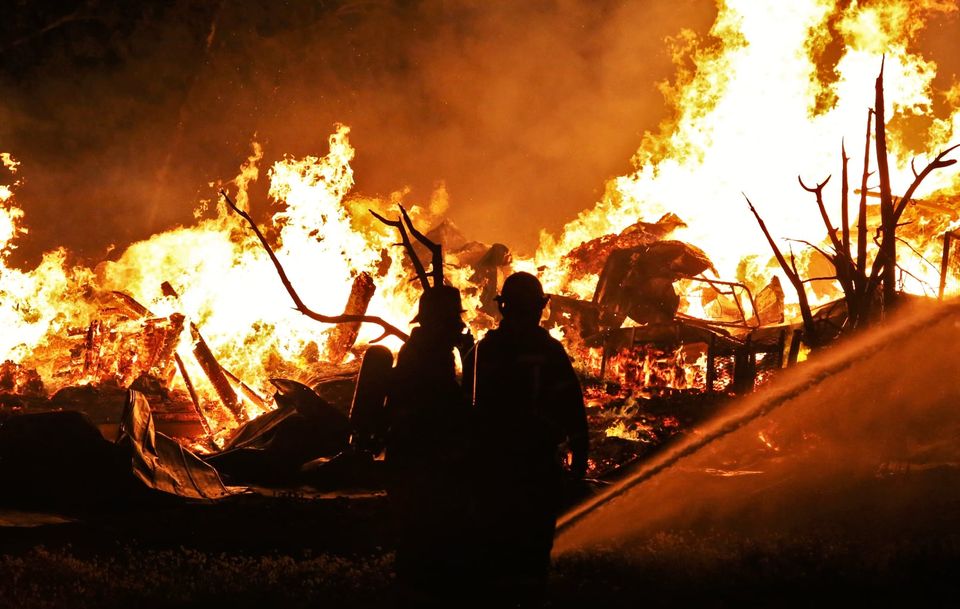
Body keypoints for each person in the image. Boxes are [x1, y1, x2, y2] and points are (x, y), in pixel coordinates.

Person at [471, 271, 589, 606]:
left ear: (503, 307)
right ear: (540, 307)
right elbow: (571, 406)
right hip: (534, 466)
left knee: (496, 547)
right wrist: (580, 454)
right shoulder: (548, 350)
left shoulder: (484, 350)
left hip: (494, 468)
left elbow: (466, 408)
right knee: (533, 548)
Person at [384, 284, 473, 607]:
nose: (459, 326)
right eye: (452, 320)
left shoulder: (421, 350)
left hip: (413, 460)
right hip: (423, 464)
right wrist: (469, 356)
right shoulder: (428, 358)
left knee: (417, 543)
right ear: (438, 322)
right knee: (427, 541)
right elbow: (453, 409)